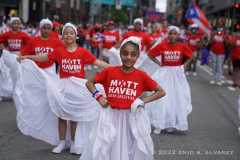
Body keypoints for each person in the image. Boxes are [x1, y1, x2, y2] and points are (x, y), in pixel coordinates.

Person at [17, 22, 111, 154]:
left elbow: (97, 62)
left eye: (71, 33)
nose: (68, 35)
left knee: (74, 116)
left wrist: (115, 68)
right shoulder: (59, 51)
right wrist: (27, 57)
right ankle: (62, 143)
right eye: (66, 33)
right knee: (61, 115)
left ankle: (73, 143)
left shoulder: (83, 51)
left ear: (75, 35)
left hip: (78, 86)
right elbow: (44, 58)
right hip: (63, 85)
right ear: (63, 36)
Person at [80, 36, 166, 160]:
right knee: (107, 146)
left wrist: (141, 101)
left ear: (137, 57)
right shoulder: (110, 71)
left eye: (133, 55)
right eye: (125, 54)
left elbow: (161, 91)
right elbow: (89, 83)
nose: (129, 58)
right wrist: (98, 97)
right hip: (110, 116)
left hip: (130, 118)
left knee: (128, 149)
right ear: (120, 54)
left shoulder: (141, 76)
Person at [146, 26, 193, 134]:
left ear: (178, 35)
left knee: (174, 99)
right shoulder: (162, 45)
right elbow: (150, 53)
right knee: (161, 98)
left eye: (174, 34)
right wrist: (159, 63)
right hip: (164, 72)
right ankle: (159, 124)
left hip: (177, 74)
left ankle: (169, 124)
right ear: (168, 35)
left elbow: (191, 56)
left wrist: (183, 66)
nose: (172, 36)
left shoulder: (181, 46)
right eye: (170, 33)